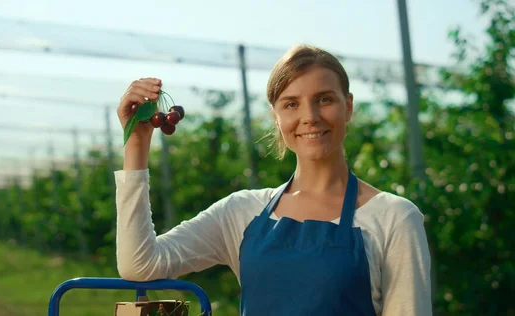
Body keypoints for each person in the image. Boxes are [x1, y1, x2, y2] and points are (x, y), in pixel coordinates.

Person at [114, 44, 432, 315]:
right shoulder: (240, 212)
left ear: (347, 107)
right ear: (276, 117)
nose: (310, 116)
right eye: (291, 104)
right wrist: (136, 144)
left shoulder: (394, 218)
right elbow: (140, 265)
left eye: (325, 99)